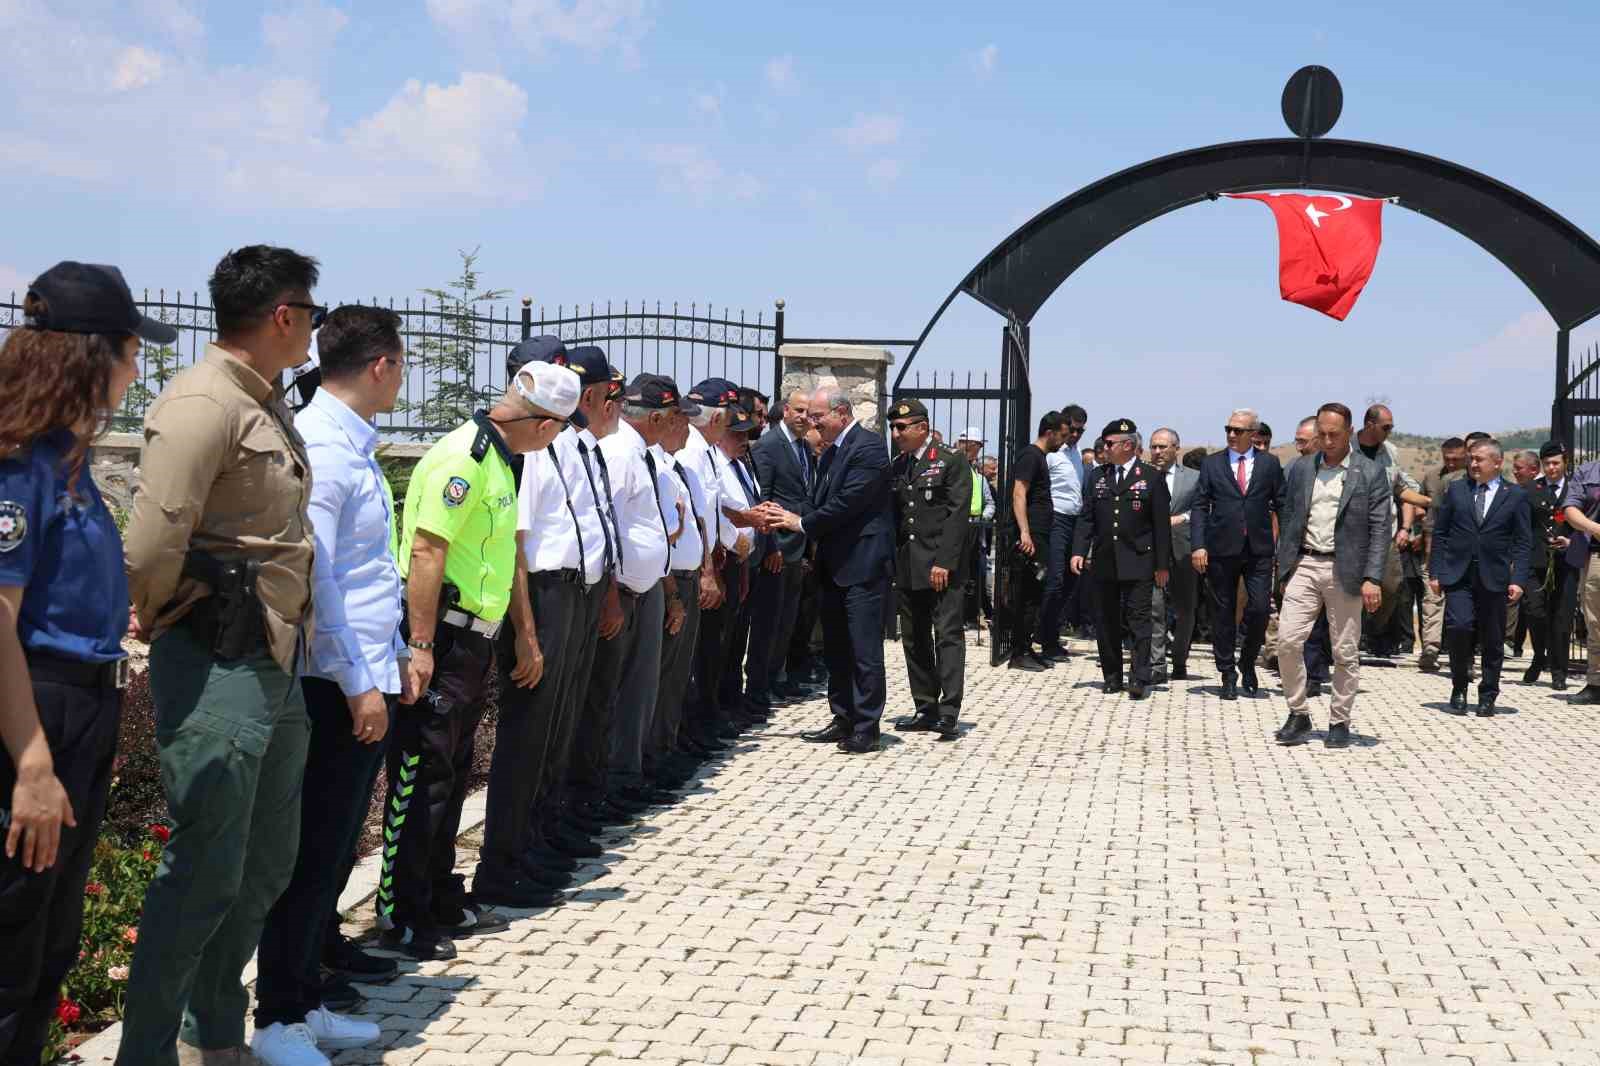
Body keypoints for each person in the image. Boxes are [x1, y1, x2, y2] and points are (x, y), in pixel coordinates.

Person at [119, 246, 322, 1066]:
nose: (313, 326)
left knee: (263, 863)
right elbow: (152, 540)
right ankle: (147, 1051)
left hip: (273, 657)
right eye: (309, 311)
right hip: (217, 661)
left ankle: (213, 1033)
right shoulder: (202, 402)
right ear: (282, 316)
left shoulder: (266, 403)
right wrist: (163, 612)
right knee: (203, 868)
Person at [0, 263, 167, 1066]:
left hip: (84, 709)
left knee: (51, 942)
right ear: (91, 354)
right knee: (12, 945)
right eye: (134, 351)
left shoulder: (67, 458)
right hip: (37, 714)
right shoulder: (20, 462)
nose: (140, 370)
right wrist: (31, 764)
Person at [251, 306, 411, 1064]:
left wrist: (399, 650)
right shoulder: (324, 446)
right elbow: (318, 578)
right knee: (309, 851)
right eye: (401, 361)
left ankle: (305, 997)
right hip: (329, 681)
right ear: (380, 365)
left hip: (364, 671)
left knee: (338, 847)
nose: (402, 374)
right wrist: (357, 682)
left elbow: (371, 570)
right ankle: (276, 1016)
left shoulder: (352, 443)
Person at [375, 361, 579, 957]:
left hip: (474, 641)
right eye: (559, 430)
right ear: (544, 425)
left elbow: (505, 553)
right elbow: (427, 549)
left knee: (454, 771)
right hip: (440, 636)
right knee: (421, 774)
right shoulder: (463, 458)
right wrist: (417, 646)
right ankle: (401, 911)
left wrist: (523, 632)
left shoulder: (499, 462)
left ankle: (436, 891)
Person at [472, 338, 599, 907]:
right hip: (540, 597)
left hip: (568, 591)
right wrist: (525, 631)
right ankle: (503, 859)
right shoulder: (519, 451)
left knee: (556, 727)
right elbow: (516, 548)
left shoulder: (558, 444)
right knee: (526, 735)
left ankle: (535, 838)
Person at [766, 385, 894, 754]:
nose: (812, 422)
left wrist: (800, 522)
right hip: (834, 566)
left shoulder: (867, 447)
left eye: (818, 416)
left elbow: (847, 504)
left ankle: (867, 727)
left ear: (841, 413)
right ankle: (843, 717)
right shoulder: (830, 452)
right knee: (836, 648)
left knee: (864, 650)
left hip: (863, 565)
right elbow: (819, 499)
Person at [1274, 403, 1391, 748]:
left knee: (1344, 651)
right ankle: (1298, 712)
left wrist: (1372, 577)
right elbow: (1290, 517)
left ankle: (1339, 720)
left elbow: (1380, 527)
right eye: (1321, 434)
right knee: (1287, 641)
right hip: (1306, 565)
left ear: (1349, 432)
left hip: (1347, 570)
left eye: (1333, 435)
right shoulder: (1300, 469)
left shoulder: (1369, 473)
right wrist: (1284, 569)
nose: (1326, 441)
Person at [602, 375, 693, 812]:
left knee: (641, 691)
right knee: (620, 695)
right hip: (623, 592)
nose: (681, 427)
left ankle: (628, 774)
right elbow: (607, 529)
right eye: (676, 417)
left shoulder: (641, 455)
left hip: (647, 587)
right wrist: (611, 596)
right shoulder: (620, 454)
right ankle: (615, 783)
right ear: (657, 416)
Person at [886, 400, 972, 740]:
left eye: (902, 427)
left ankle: (949, 711)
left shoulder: (950, 461)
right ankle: (925, 706)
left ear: (922, 427)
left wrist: (944, 562)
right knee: (914, 638)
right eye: (893, 428)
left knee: (947, 636)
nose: (896, 434)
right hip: (908, 565)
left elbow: (957, 515)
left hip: (940, 566)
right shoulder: (898, 466)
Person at [1070, 420, 1172, 699]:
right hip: (1104, 561)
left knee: (1139, 620)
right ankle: (1112, 675)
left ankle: (1139, 676)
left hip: (1139, 560)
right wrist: (1079, 550)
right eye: (1103, 444)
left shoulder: (1150, 476)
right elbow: (1087, 518)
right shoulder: (1097, 476)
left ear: (1127, 445)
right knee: (1106, 620)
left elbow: (1161, 526)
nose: (1104, 448)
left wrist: (1162, 565)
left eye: (1109, 443)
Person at [1429, 438, 1531, 715]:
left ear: (1497, 463)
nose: (1473, 464)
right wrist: (1435, 571)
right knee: (1459, 628)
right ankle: (1459, 686)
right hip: (1458, 574)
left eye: (1479, 459)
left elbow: (1523, 542)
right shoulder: (1456, 490)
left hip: (1495, 576)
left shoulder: (1515, 495)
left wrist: (1518, 579)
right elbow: (1440, 533)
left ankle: (1488, 693)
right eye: (1471, 459)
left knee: (1493, 637)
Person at [1191, 408, 1285, 700]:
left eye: (1238, 430)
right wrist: (1198, 545)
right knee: (1223, 612)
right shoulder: (1212, 464)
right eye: (1228, 429)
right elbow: (1199, 506)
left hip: (1258, 550)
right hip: (1221, 549)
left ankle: (1247, 660)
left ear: (1253, 434)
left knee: (1259, 610)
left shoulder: (1270, 464)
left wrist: (1285, 547)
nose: (1232, 435)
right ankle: (1227, 672)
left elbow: (1282, 504)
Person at [746, 390, 814, 712]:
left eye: (809, 413)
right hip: (776, 548)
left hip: (797, 549)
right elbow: (763, 499)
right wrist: (770, 544)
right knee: (767, 623)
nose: (804, 417)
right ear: (785, 410)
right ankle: (757, 687)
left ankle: (775, 678)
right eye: (798, 410)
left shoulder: (803, 448)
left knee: (786, 621)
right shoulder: (769, 446)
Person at [1007, 412, 1066, 669]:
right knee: (1027, 594)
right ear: (1049, 432)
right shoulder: (1031, 456)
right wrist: (1025, 532)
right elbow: (1019, 492)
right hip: (1031, 536)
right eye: (1062, 435)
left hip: (1039, 534)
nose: (1063, 442)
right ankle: (1019, 652)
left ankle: (1026, 647)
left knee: (1035, 593)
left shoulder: (1040, 457)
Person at [1147, 428, 1198, 683]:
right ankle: (1157, 664)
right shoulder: (1141, 476)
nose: (1157, 452)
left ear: (1176, 449)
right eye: (1154, 446)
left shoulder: (1194, 478)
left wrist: (1182, 518)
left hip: (1183, 550)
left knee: (1185, 609)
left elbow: (1203, 509)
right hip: (1150, 552)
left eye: (1163, 447)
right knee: (1154, 607)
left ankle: (1179, 659)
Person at [1036, 405, 1088, 660]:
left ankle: (1051, 634)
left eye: (1081, 430)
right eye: (1073, 429)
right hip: (1056, 519)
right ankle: (1044, 637)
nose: (1076, 434)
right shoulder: (1053, 453)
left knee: (1070, 580)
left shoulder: (1076, 455)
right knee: (1054, 580)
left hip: (1074, 521)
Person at [1523, 442, 1574, 689]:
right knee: (1535, 612)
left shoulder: (1575, 488)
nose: (1552, 468)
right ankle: (1538, 656)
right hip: (1536, 562)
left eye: (1556, 463)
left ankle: (1559, 670)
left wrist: (1571, 541)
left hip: (1566, 563)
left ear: (1565, 462)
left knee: (1561, 618)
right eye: (1547, 464)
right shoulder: (1532, 489)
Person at [1416, 437, 1469, 671]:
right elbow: (1428, 514)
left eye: (1457, 459)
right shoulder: (1432, 478)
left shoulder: (1472, 479)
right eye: (1447, 459)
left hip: (1463, 551)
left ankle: (1464, 653)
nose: (1452, 463)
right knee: (1432, 598)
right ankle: (1430, 647)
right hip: (1435, 546)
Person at [955, 428, 996, 626]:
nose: (978, 449)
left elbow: (990, 503)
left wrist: (982, 518)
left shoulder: (979, 478)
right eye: (977, 445)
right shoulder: (952, 469)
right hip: (957, 527)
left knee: (976, 575)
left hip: (976, 529)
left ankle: (971, 616)